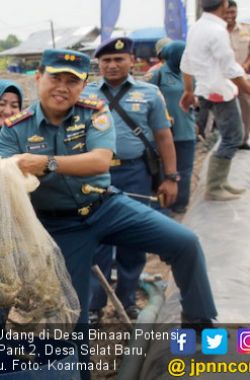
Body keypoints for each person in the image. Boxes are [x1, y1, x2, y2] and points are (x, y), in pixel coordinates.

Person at [0, 48, 217, 378]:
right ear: (39, 78)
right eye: (56, 78)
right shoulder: (16, 128)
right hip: (61, 226)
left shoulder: (94, 111)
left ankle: (199, 327)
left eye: (73, 81)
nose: (63, 87)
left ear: (82, 86)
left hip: (107, 206)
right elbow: (1, 177)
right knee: (72, 315)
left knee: (184, 241)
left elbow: (100, 160)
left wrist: (46, 163)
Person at [84, 37, 178, 323]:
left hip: (134, 173)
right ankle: (94, 305)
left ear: (132, 61)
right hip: (93, 175)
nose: (112, 65)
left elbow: (163, 136)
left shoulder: (150, 93)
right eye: (106, 60)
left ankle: (127, 300)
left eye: (118, 59)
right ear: (98, 64)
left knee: (132, 241)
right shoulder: (85, 94)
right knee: (96, 241)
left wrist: (171, 177)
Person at [180, 0, 250, 201]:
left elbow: (186, 62)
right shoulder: (216, 31)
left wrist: (188, 90)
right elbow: (230, 69)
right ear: (225, 4)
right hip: (220, 90)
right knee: (233, 137)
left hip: (206, 89)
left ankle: (220, 182)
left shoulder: (197, 28)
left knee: (226, 135)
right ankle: (214, 186)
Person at [146, 41, 197, 214]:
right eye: (182, 55)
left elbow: (194, 100)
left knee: (185, 170)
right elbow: (146, 101)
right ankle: (164, 205)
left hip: (186, 130)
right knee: (164, 171)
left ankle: (180, 204)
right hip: (162, 132)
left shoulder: (189, 74)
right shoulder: (156, 73)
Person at [226, 0, 250, 149]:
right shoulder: (217, 31)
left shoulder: (246, 29)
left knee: (246, 106)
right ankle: (228, 138)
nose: (230, 15)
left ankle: (243, 139)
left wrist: (246, 64)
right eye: (227, 12)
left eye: (232, 12)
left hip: (242, 77)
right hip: (223, 78)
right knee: (224, 110)